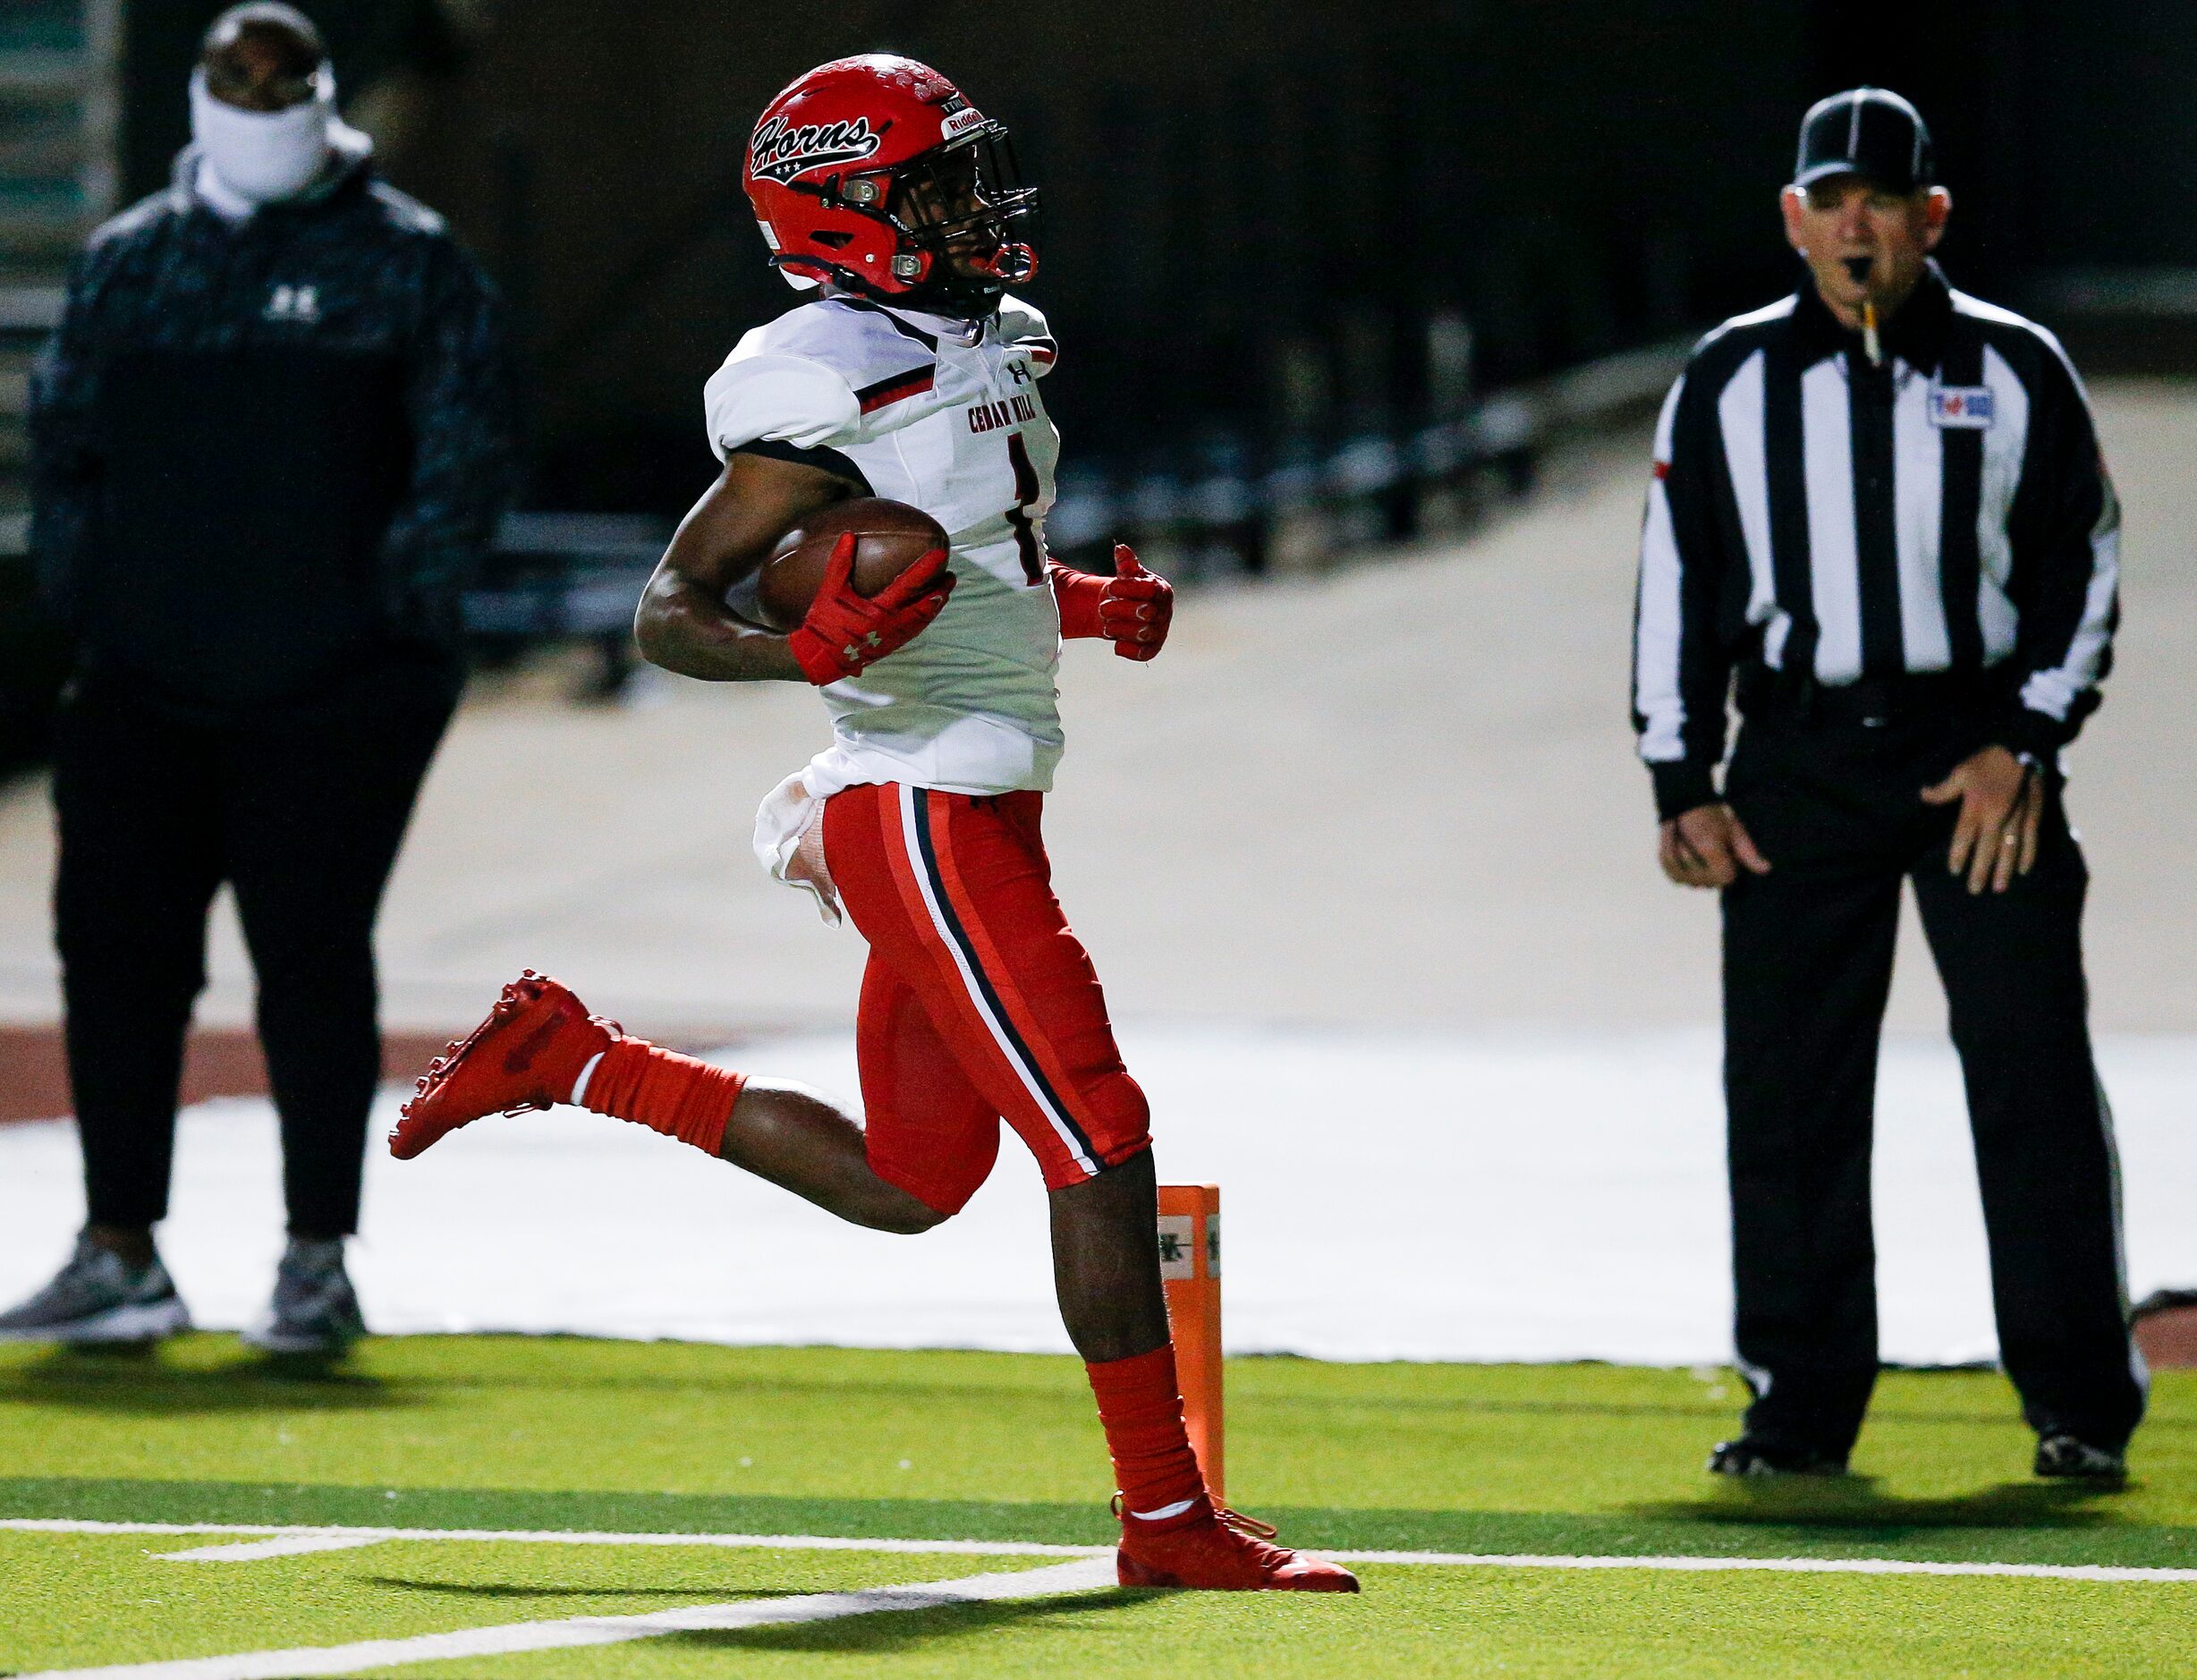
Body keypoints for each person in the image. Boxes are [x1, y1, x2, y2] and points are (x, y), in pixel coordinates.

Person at [387, 55, 1356, 1594]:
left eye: (971, 175)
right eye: (936, 185)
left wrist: (1090, 604)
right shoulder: (811, 370)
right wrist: (804, 650)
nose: (975, 207)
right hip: (921, 805)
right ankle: (1165, 1517)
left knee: (914, 1183)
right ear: (845, 211)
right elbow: (669, 611)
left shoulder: (991, 336)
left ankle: (572, 1056)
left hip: (977, 793)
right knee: (1099, 1136)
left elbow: (979, 555)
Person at [1632, 89, 2144, 1481]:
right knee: (1789, 1090)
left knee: (2030, 1069)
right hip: (1796, 760)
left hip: (1974, 758)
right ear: (1792, 220)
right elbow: (1678, 582)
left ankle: (2079, 1404)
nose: (1854, 223)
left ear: (1933, 216)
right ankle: (1798, 1408)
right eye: (1829, 199)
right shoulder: (1730, 378)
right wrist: (1679, 773)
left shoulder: (2015, 364)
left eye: (1882, 198)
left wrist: (2026, 740)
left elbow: (2079, 559)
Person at [1, 3, 513, 1354]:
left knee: (308, 963)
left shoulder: (404, 264)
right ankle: (121, 1253)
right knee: (115, 964)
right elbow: (63, 451)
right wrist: (96, 610)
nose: (261, 96)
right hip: (144, 680)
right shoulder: (133, 262)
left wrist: (381, 635)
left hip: (333, 693)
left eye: (283, 80)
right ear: (200, 91)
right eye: (239, 77)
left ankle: (313, 1260)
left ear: (322, 94)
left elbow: (459, 469)